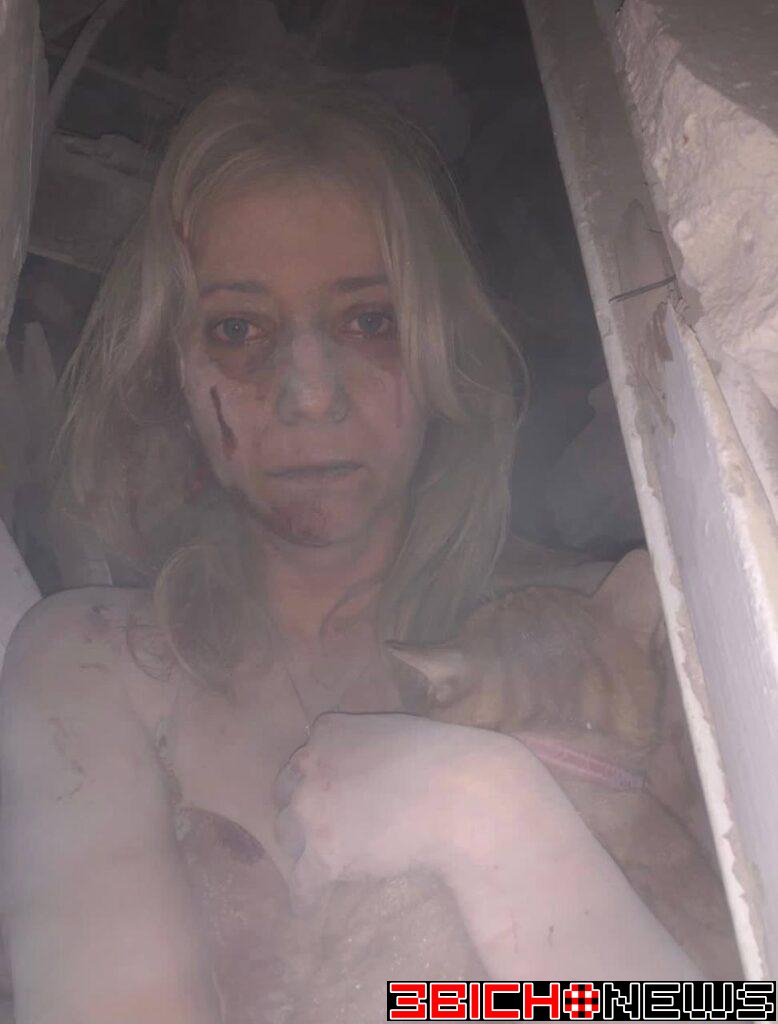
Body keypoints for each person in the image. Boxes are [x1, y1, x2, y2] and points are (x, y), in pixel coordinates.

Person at [0, 85, 698, 1024]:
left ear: (440, 347)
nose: (310, 393)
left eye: (369, 320)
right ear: (173, 367)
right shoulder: (97, 663)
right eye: (238, 330)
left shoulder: (616, 637)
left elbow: (722, 1005)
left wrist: (491, 818)